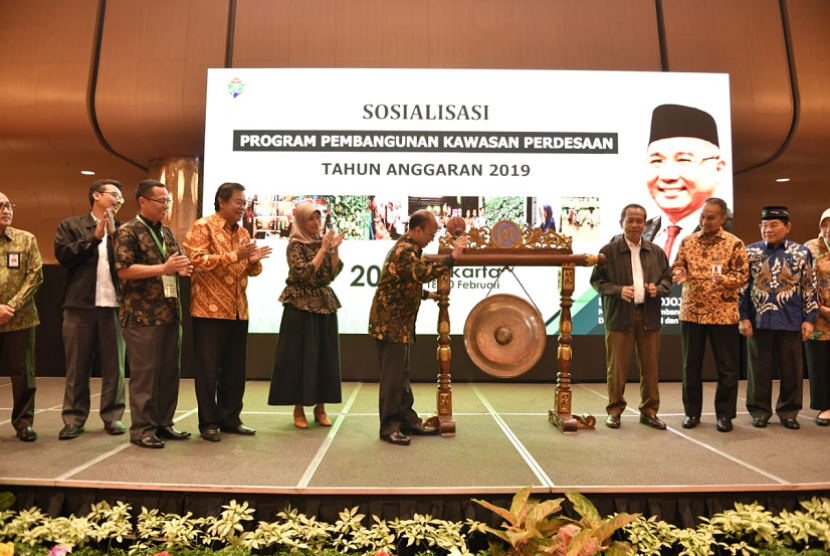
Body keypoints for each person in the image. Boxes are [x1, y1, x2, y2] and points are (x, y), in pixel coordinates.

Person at [369, 210, 467, 445]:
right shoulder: (405, 251)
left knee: (401, 376)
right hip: (390, 323)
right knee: (392, 380)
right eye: (430, 234)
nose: (432, 238)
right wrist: (452, 257)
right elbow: (420, 273)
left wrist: (427, 294)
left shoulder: (411, 249)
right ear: (416, 230)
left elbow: (402, 282)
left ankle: (407, 421)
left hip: (399, 323)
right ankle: (389, 428)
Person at [183, 183, 272, 442]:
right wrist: (234, 255)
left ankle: (231, 418)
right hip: (208, 311)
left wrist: (253, 262)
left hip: (237, 310)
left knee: (234, 369)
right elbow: (197, 261)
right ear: (222, 201)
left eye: (244, 203)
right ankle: (209, 422)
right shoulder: (203, 226)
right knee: (208, 370)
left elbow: (249, 271)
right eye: (238, 202)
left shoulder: (243, 233)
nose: (242, 207)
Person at [114, 179, 193, 448]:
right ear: (143, 202)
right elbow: (124, 270)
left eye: (168, 201)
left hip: (170, 312)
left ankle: (164, 423)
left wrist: (182, 268)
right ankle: (142, 430)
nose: (166, 206)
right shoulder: (128, 231)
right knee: (145, 375)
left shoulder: (166, 232)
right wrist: (163, 269)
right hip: (141, 316)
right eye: (161, 201)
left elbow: (173, 261)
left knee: (169, 374)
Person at [54, 179, 127, 440]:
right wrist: (93, 238)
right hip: (79, 306)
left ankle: (113, 417)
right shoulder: (71, 225)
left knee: (115, 368)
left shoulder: (124, 229)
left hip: (115, 307)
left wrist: (112, 235)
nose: (119, 200)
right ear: (96, 195)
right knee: (77, 367)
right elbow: (63, 256)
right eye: (115, 195)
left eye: (121, 198)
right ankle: (73, 419)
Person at [590, 204, 672, 430]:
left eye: (639, 221)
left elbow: (668, 280)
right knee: (616, 368)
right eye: (630, 220)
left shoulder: (656, 251)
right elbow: (597, 281)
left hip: (649, 317)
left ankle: (649, 411)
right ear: (621, 223)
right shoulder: (608, 251)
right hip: (619, 316)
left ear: (645, 224)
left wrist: (659, 289)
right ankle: (615, 410)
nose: (635, 225)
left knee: (650, 368)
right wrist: (618, 290)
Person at [671, 198, 748, 432]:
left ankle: (724, 415)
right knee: (690, 367)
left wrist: (722, 279)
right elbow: (677, 266)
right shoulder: (688, 241)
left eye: (710, 217)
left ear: (723, 218)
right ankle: (692, 413)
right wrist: (679, 273)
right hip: (691, 313)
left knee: (727, 368)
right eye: (703, 216)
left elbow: (742, 275)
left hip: (722, 314)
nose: (705, 221)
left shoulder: (734, 243)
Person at [739, 206, 818, 430]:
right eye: (764, 225)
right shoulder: (750, 252)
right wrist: (743, 317)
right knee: (758, 369)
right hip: (758, 319)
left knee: (792, 369)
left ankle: (789, 411)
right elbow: (742, 288)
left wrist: (809, 319)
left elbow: (809, 287)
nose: (768, 229)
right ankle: (759, 411)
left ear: (787, 227)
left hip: (791, 319)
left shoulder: (802, 253)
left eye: (774, 225)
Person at [269, 202, 345, 428]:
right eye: (311, 219)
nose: (316, 223)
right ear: (302, 221)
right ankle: (299, 409)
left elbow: (330, 275)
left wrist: (335, 249)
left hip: (324, 303)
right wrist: (323, 249)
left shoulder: (322, 241)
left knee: (324, 356)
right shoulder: (294, 244)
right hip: (300, 305)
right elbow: (303, 273)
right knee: (299, 357)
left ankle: (321, 408)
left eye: (318, 218)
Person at [643, 104, 730, 262]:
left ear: (718, 168)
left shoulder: (734, 232)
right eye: (657, 161)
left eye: (683, 160)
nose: (667, 176)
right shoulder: (639, 233)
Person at [0, 192, 43, 442]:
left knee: (24, 375)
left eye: (9, 205)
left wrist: (10, 307)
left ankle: (24, 423)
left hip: (21, 319)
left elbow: (35, 276)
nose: (6, 210)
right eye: (1, 206)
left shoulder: (26, 239)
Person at [804, 209, 830, 426]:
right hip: (818, 316)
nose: (829, 229)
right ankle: (825, 406)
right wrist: (819, 308)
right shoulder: (810, 248)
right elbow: (803, 281)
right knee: (820, 362)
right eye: (825, 224)